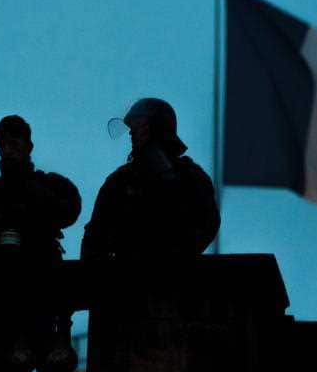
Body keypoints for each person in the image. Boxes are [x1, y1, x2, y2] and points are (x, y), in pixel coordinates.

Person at [0, 115, 81, 372]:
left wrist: (29, 192)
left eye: (14, 141)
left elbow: (70, 210)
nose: (7, 147)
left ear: (28, 146)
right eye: (2, 142)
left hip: (40, 295)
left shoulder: (48, 186)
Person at [81, 98, 220, 262]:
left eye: (138, 126)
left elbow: (207, 224)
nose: (131, 133)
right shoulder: (121, 180)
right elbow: (95, 239)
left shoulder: (191, 177)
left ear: (155, 128)